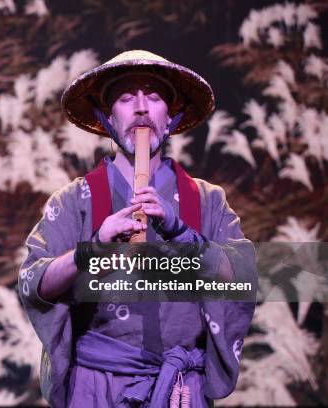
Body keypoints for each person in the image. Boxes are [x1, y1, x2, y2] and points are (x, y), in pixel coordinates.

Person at [18, 50, 257, 407]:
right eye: (127, 98)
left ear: (172, 116)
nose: (142, 108)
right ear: (107, 117)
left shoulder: (207, 200)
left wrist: (182, 233)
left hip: (179, 387)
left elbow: (245, 278)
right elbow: (34, 284)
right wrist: (94, 248)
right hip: (97, 384)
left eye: (155, 97)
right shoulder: (73, 200)